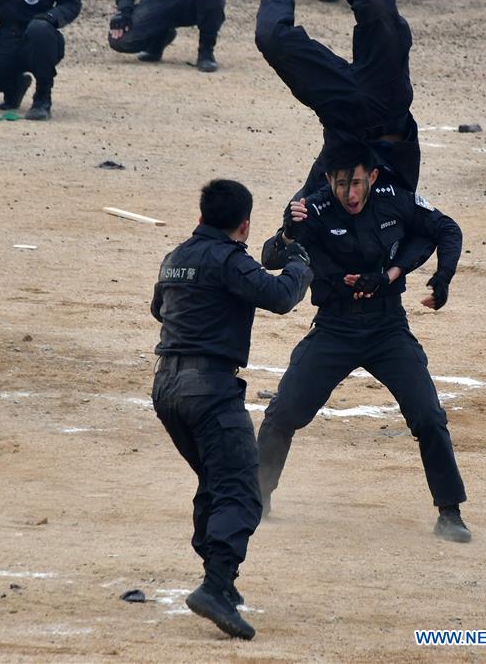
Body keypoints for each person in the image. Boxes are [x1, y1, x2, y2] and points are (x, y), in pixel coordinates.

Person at [258, 142, 471, 543]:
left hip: (387, 328)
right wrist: (287, 232)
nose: (350, 194)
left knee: (428, 415)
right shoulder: (314, 209)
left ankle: (450, 513)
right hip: (334, 328)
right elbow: (269, 257)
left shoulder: (394, 200)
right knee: (283, 412)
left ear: (372, 176)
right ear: (328, 180)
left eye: (356, 183)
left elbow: (447, 229)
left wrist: (443, 277)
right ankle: (256, 499)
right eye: (341, 184)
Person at [150, 179, 312, 640]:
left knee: (216, 481)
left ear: (201, 216)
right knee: (242, 488)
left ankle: (220, 577)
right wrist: (301, 265)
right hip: (209, 390)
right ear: (244, 226)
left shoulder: (175, 257)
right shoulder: (229, 259)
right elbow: (279, 296)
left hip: (166, 388)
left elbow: (160, 309)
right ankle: (216, 585)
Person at [229, 0, 420, 197]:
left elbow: (289, 225)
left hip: (343, 117)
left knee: (272, 39)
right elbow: (433, 221)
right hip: (388, 96)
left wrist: (294, 223)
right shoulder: (398, 208)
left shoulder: (321, 199)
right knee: (376, 3)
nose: (351, 197)